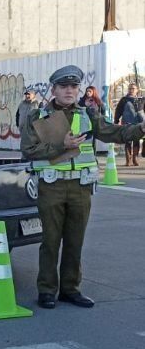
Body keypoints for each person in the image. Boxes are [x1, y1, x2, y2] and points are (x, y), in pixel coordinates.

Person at [21, 65, 145, 309]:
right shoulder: (37, 117)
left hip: (80, 187)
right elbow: (28, 150)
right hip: (51, 185)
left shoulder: (88, 115)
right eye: (64, 86)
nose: (69, 91)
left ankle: (70, 289)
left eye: (74, 87)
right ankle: (47, 290)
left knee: (75, 240)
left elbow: (114, 133)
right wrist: (61, 145)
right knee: (51, 240)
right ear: (53, 89)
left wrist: (140, 129)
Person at [113, 83, 144, 166]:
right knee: (128, 141)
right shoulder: (124, 100)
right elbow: (118, 110)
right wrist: (116, 120)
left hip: (138, 124)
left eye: (133, 88)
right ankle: (128, 160)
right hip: (127, 123)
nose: (131, 90)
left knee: (136, 141)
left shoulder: (141, 99)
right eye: (130, 88)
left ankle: (135, 159)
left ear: (137, 90)